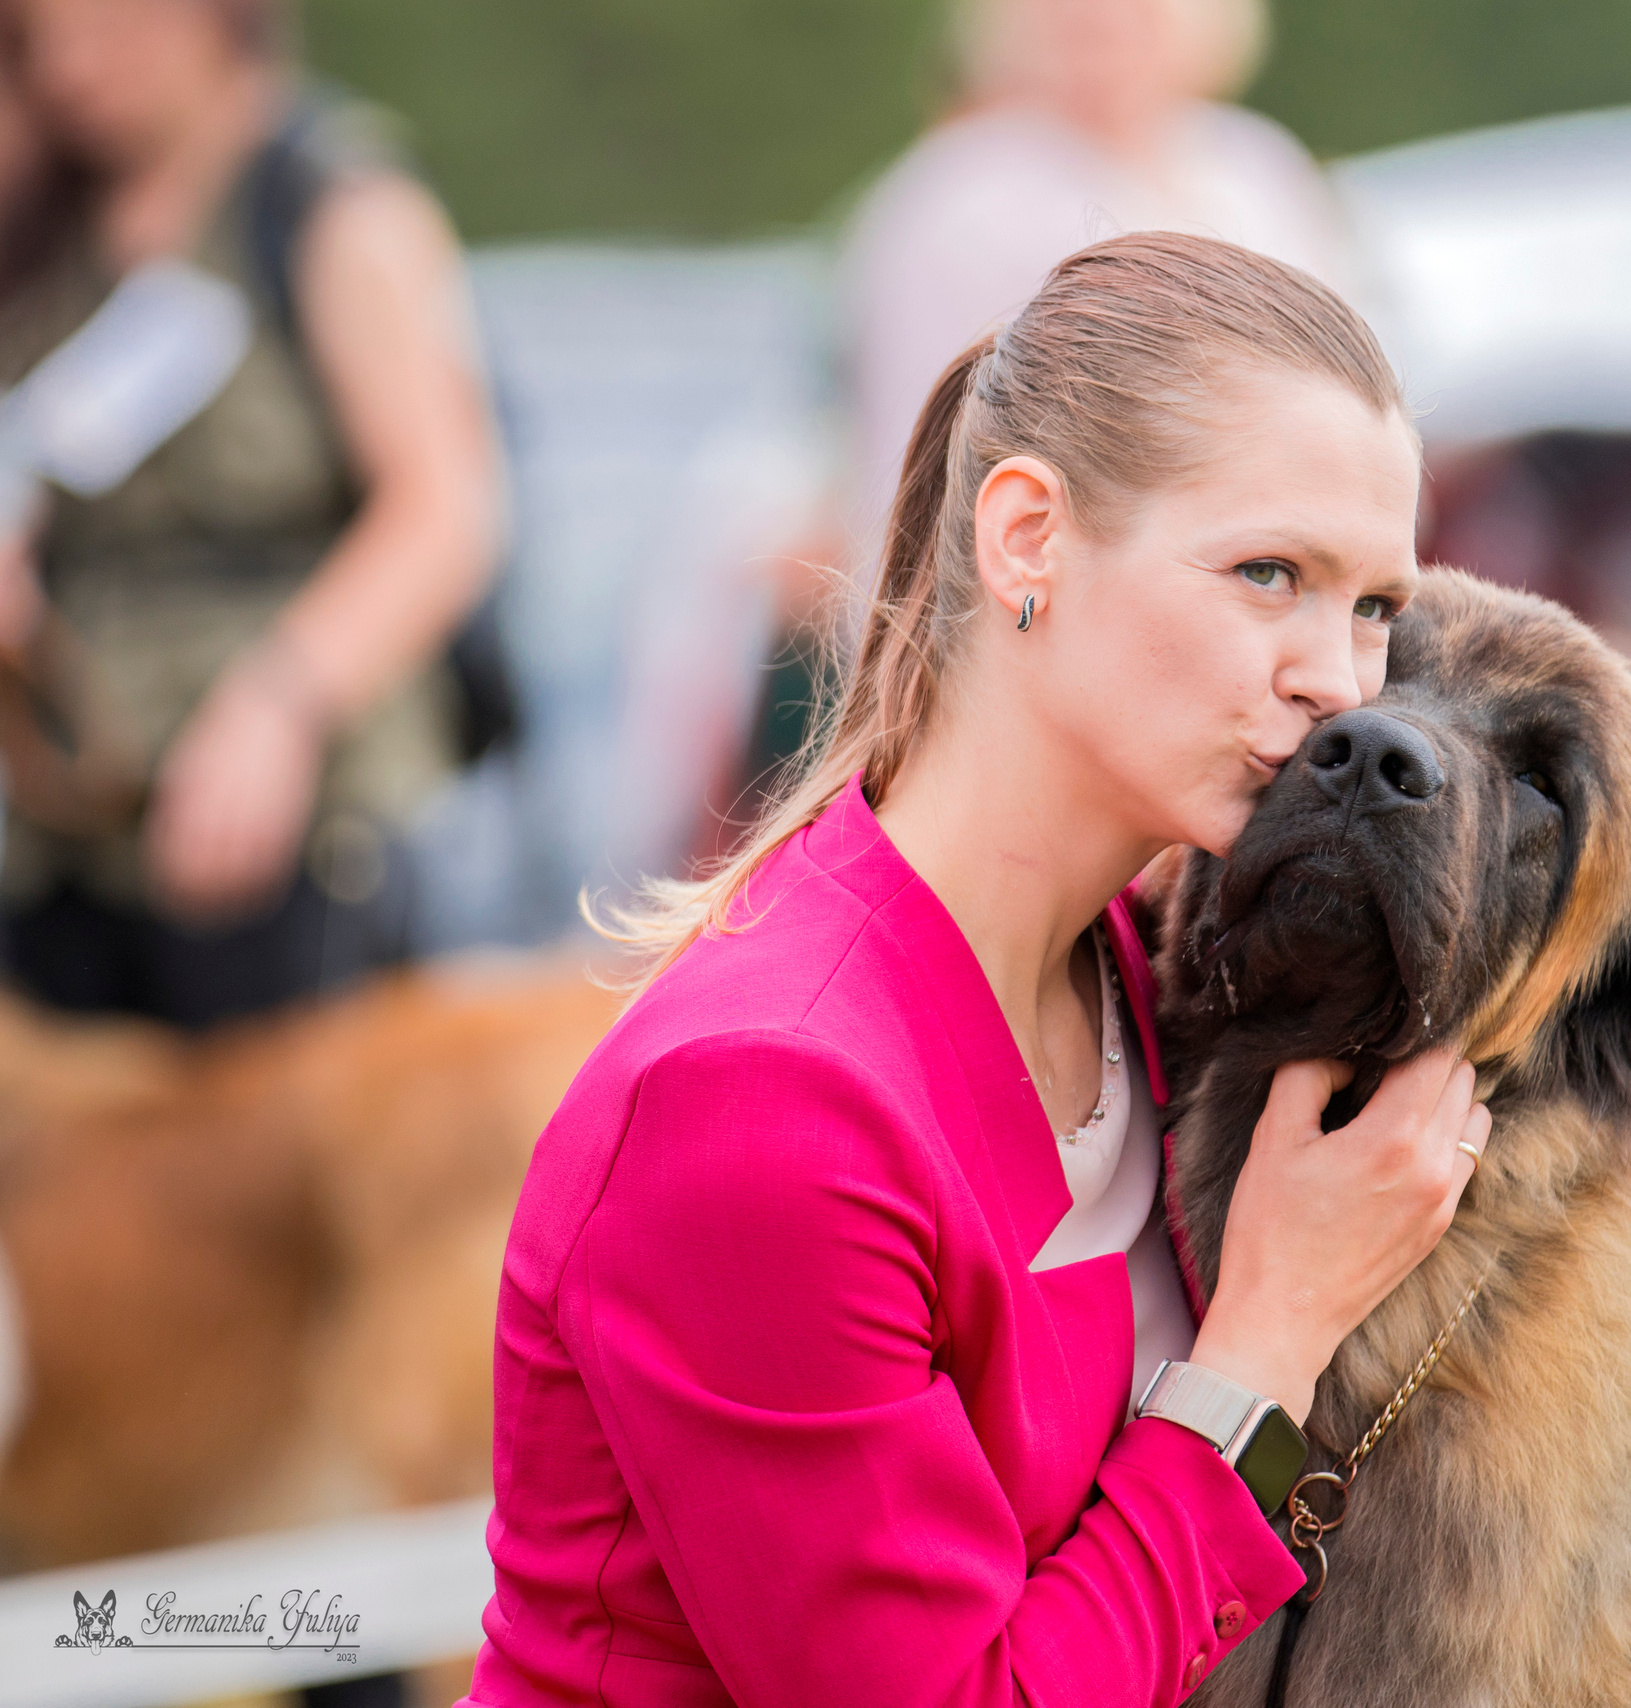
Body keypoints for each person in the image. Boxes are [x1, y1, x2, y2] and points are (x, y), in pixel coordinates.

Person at [464, 233, 1489, 1708]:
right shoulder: (760, 1102)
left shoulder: (1153, 968)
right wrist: (1272, 1329)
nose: (1339, 676)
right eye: (1273, 573)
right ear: (1027, 540)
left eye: (1374, 607)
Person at [0, 0, 502, 1025]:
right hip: (75, 837)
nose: (68, 71)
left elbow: (447, 509)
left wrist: (279, 705)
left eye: (101, 31)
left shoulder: (330, 203)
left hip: (293, 834)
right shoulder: (52, 215)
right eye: (34, 40)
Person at [832, 0, 1353, 591]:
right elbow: (920, 458)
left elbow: (1351, 380)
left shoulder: (1257, 169)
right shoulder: (954, 202)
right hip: (1075, 588)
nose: (1103, 20)